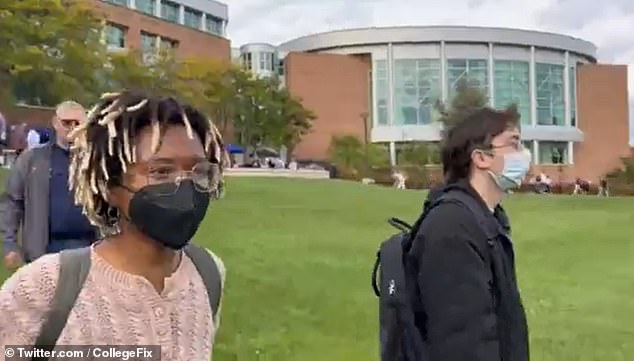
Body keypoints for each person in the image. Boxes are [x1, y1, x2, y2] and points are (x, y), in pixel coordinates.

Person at [0, 91, 228, 359]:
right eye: (160, 171)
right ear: (109, 186)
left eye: (199, 170)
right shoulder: (40, 288)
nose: (185, 186)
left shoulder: (208, 274)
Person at [408, 107, 530, 361]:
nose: (524, 154)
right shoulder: (452, 227)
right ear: (481, 158)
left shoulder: (485, 219)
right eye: (514, 144)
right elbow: (464, 344)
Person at [1, 101, 98, 270]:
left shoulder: (96, 161)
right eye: (66, 122)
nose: (72, 127)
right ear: (55, 122)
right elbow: (12, 203)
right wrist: (9, 244)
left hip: (89, 248)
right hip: (45, 250)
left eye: (77, 123)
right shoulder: (32, 159)